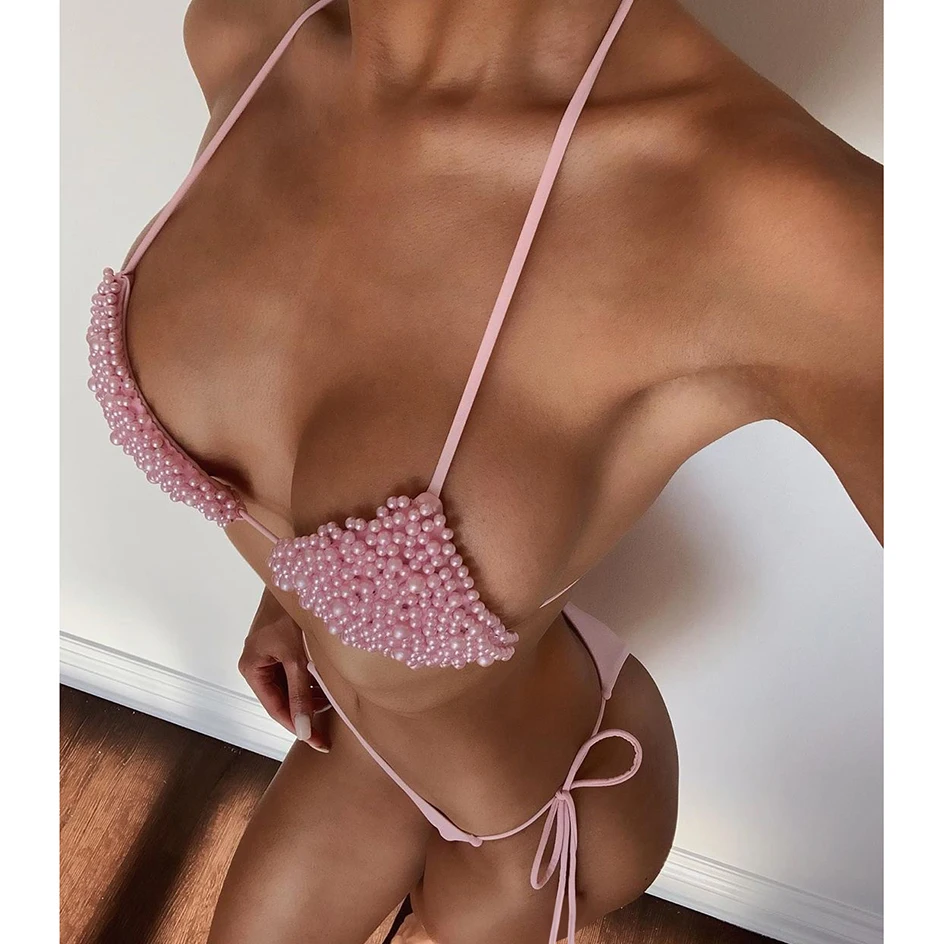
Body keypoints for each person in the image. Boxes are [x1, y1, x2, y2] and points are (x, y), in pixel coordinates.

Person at [86, 1, 882, 941]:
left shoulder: (794, 231)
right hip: (354, 735)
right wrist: (293, 593)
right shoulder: (248, 33)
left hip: (543, 813)